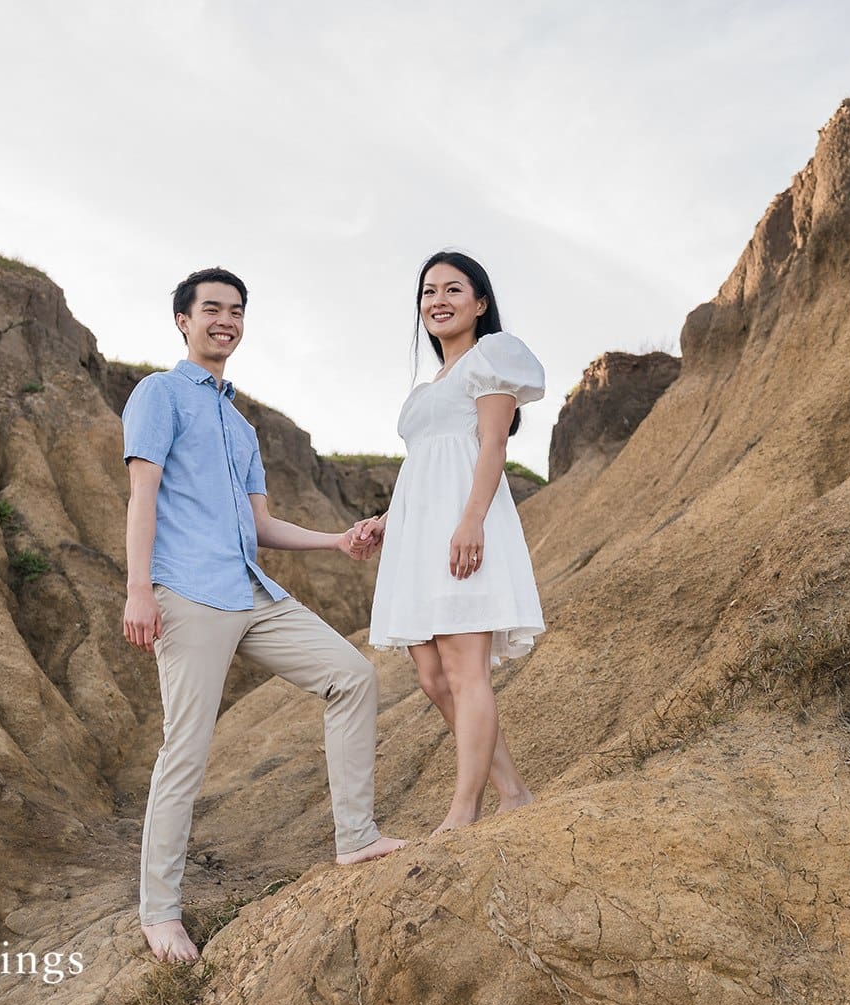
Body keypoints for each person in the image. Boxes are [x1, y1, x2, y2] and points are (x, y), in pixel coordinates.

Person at [122, 266, 406, 963]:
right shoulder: (159, 394)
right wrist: (138, 589)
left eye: (237, 311)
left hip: (250, 591)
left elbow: (263, 526)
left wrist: (337, 540)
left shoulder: (241, 425)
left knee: (351, 675)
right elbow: (142, 496)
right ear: (183, 322)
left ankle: (357, 837)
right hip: (186, 592)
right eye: (212, 309)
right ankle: (159, 913)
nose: (226, 320)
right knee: (184, 750)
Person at [352, 250, 544, 835]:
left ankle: (464, 812)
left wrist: (472, 521)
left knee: (466, 673)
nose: (438, 300)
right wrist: (389, 519)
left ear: (479, 303)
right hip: (420, 536)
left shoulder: (491, 360)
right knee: (435, 679)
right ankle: (513, 791)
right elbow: (424, 466)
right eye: (429, 291)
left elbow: (490, 447)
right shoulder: (426, 387)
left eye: (453, 289)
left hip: (467, 528)